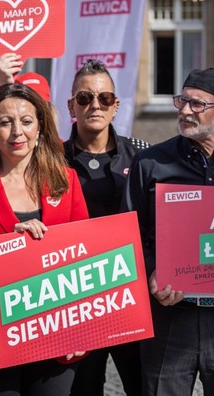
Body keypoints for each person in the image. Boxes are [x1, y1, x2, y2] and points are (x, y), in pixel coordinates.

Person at [0, 83, 89, 395]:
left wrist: (81, 329)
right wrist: (7, 247)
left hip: (56, 329)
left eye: (26, 121)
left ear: (40, 128)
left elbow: (85, 259)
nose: (17, 132)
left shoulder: (67, 181)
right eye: (6, 122)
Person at [125, 68, 214, 396]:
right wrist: (152, 271)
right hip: (170, 317)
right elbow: (129, 236)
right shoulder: (150, 163)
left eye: (197, 104)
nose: (185, 110)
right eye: (182, 101)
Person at [64, 60, 147, 396]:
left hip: (131, 296)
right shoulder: (51, 159)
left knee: (144, 386)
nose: (94, 105)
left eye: (104, 97)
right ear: (71, 106)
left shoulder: (142, 156)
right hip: (78, 299)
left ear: (116, 105)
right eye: (84, 98)